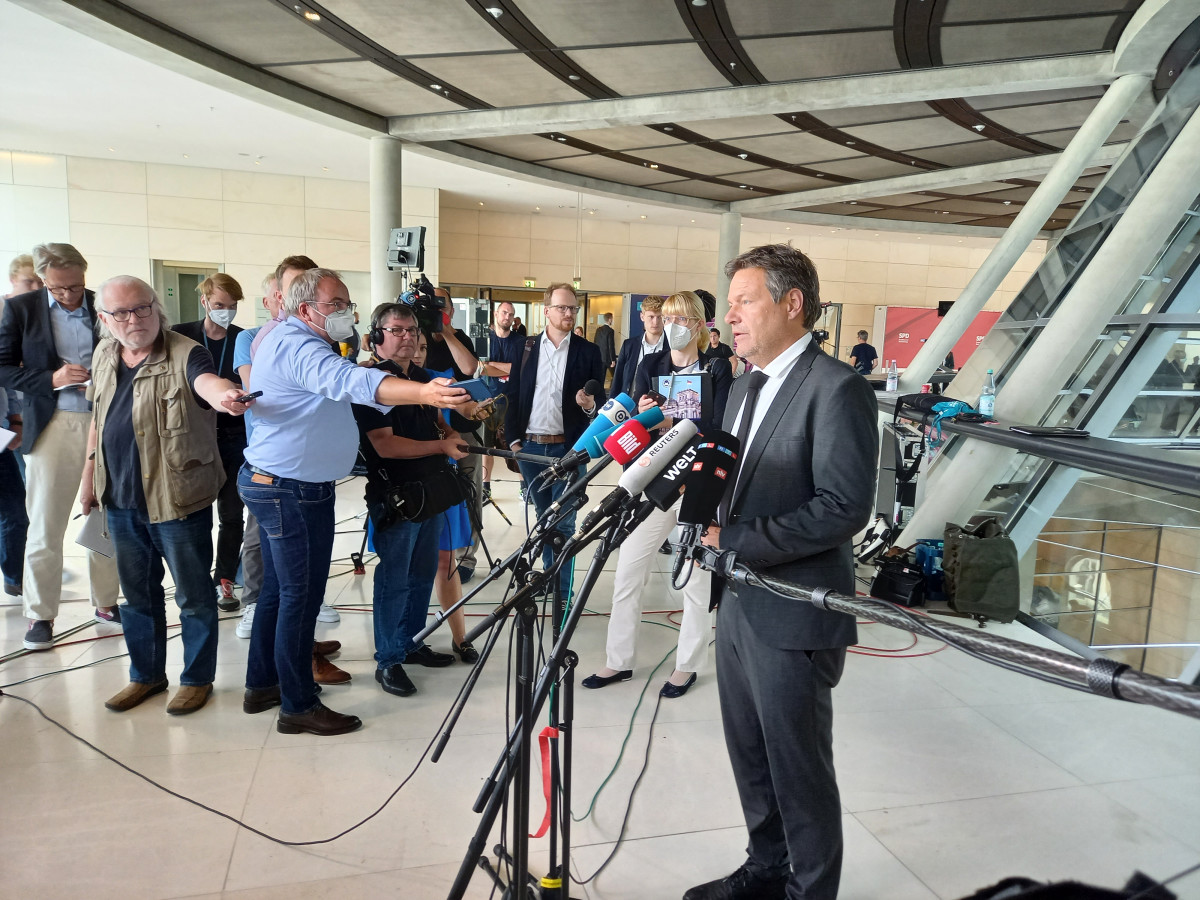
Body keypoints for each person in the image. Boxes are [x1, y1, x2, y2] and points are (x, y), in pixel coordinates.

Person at [686, 244, 877, 900]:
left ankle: (809, 890)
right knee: (751, 756)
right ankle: (766, 869)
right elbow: (735, 481)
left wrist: (737, 539)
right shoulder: (743, 387)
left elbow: (843, 507)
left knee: (799, 771)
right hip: (738, 600)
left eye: (743, 302)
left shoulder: (838, 388)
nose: (729, 317)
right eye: (729, 304)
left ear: (792, 303)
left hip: (796, 612)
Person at [237, 267, 468, 736]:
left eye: (348, 303)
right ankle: (298, 704)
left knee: (280, 593)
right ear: (306, 309)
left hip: (290, 482)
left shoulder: (299, 340)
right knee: (300, 598)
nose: (348, 312)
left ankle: (263, 684)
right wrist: (424, 392)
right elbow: (351, 383)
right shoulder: (300, 345)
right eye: (337, 304)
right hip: (290, 488)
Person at [82, 276, 251, 715]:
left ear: (157, 307)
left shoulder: (186, 352)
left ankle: (196, 679)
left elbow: (207, 383)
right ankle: (146, 676)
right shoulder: (104, 355)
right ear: (105, 319)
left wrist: (227, 396)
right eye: (121, 313)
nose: (134, 319)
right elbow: (98, 420)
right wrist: (88, 481)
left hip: (176, 499)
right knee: (137, 596)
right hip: (119, 500)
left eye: (142, 308)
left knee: (193, 597)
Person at [583, 291, 731, 698]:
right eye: (667, 319)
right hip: (656, 480)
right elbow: (634, 427)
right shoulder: (650, 365)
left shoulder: (717, 368)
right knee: (629, 570)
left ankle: (687, 665)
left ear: (698, 325)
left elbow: (721, 426)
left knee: (695, 578)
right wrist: (645, 414)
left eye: (680, 319)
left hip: (698, 481)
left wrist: (680, 422)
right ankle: (618, 660)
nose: (672, 327)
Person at [354, 305, 480, 697]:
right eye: (397, 330)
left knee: (423, 574)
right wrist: (440, 446)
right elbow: (385, 444)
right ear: (377, 336)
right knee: (394, 579)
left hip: (431, 490)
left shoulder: (425, 378)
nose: (407, 337)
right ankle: (388, 659)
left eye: (411, 330)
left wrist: (454, 430)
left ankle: (409, 642)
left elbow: (442, 422)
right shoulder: (371, 382)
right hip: (396, 495)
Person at [0, 243, 121, 651]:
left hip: (103, 423)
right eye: (59, 288)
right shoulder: (21, 309)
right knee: (45, 523)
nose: (69, 294)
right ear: (44, 280)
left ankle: (106, 602)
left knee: (103, 516)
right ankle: (40, 614)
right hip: (52, 422)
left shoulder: (101, 304)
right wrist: (50, 379)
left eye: (76, 286)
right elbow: (3, 367)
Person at [505, 283, 604, 599]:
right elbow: (512, 396)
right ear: (546, 310)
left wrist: (590, 406)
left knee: (563, 523)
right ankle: (548, 580)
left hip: (569, 448)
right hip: (531, 448)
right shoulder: (525, 348)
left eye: (573, 308)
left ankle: (561, 593)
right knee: (543, 518)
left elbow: (601, 402)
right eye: (562, 307)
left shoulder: (588, 352)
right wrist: (514, 443)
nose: (569, 313)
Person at [172, 274, 246, 612]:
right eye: (219, 305)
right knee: (195, 513)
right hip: (194, 436)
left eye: (232, 306)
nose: (226, 312)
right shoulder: (180, 336)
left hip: (233, 435)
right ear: (204, 302)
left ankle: (225, 578)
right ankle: (195, 579)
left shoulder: (243, 339)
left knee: (232, 512)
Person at [414, 330, 483, 666]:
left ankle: (460, 638)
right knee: (406, 567)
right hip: (402, 484)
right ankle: (405, 642)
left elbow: (453, 419)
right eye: (406, 340)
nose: (416, 351)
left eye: (422, 346)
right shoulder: (380, 379)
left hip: (439, 479)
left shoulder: (436, 379)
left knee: (446, 561)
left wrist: (457, 430)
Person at [423, 286, 486, 583]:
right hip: (429, 429)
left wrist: (445, 330)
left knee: (469, 491)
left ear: (451, 309)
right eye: (432, 305)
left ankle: (466, 556)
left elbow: (469, 368)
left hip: (464, 426)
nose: (437, 310)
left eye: (442, 305)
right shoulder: (416, 337)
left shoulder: (459, 338)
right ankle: (435, 552)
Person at [482, 300, 523, 499]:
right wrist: (505, 368)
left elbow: (519, 369)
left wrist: (492, 365)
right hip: (488, 401)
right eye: (504, 312)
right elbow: (480, 367)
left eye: (511, 314)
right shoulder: (486, 340)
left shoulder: (520, 342)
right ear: (496, 314)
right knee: (486, 448)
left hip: (512, 401)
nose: (507, 317)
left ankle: (524, 487)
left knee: (517, 445)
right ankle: (485, 487)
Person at [0, 382, 26, 601]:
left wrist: (16, 421)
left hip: (1, 440)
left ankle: (14, 578)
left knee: (16, 515)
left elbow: (6, 383)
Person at [611, 295, 665, 398]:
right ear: (642, 317)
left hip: (657, 405)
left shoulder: (671, 348)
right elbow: (618, 380)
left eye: (660, 317)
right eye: (651, 317)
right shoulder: (629, 345)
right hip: (629, 404)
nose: (655, 322)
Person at [594, 310, 617, 377]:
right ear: (609, 319)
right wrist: (613, 359)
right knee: (615, 376)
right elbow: (611, 346)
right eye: (612, 319)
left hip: (600, 357)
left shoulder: (598, 330)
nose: (612, 320)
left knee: (601, 377)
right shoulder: (610, 331)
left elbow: (595, 342)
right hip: (608, 359)